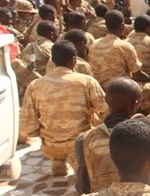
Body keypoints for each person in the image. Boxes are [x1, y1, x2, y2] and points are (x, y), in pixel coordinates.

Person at [74, 77, 150, 196]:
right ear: (136, 104)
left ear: (106, 101)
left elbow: (82, 187)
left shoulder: (84, 140)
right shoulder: (149, 134)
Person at [20, 40, 107, 176]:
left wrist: (42, 134)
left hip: (50, 145)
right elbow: (105, 109)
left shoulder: (35, 85)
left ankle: (58, 160)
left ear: (53, 61)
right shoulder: (86, 81)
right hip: (80, 144)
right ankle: (81, 163)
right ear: (74, 60)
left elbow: (27, 126)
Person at [88, 10, 148, 88]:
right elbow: (137, 74)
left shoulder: (94, 44)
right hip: (119, 89)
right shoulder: (125, 46)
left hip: (99, 88)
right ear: (122, 26)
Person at [11, 20, 58, 92]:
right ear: (51, 34)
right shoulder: (52, 48)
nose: (58, 35)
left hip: (26, 87)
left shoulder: (28, 46)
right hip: (45, 88)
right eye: (57, 32)